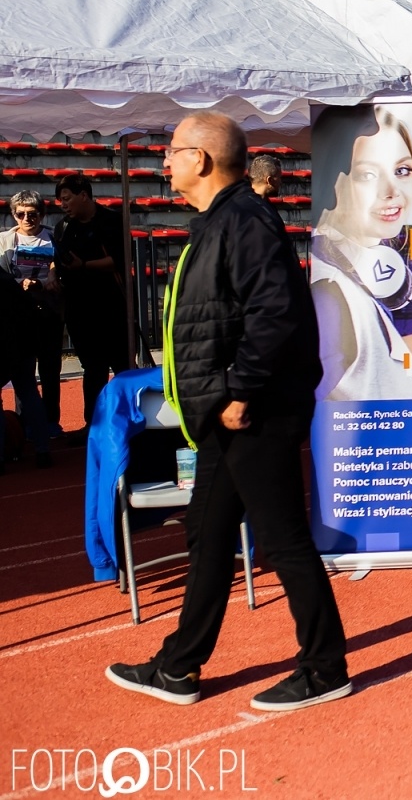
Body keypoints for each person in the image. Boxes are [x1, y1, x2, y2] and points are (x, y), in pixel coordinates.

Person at [106, 111, 350, 712]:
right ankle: (179, 667)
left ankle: (324, 669)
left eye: (173, 150)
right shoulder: (221, 220)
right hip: (226, 411)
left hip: (253, 411)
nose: (164, 161)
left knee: (284, 538)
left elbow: (274, 315)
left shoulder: (244, 220)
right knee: (207, 534)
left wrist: (240, 391)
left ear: (204, 159)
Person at [309, 107, 412, 402]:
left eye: (401, 170)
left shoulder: (350, 280)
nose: (391, 191)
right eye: (367, 174)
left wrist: (399, 352)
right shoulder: (332, 291)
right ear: (333, 182)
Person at [53, 173, 129, 425]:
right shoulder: (63, 227)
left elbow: (119, 260)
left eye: (67, 198)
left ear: (83, 195)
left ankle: (132, 420)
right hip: (80, 310)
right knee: (93, 370)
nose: (63, 204)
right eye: (60, 200)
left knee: (122, 367)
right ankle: (93, 424)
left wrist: (83, 265)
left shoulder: (112, 221)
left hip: (112, 307)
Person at [1, 190, 64, 439]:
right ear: (13, 215)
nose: (27, 218)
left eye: (33, 214)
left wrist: (51, 280)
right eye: (21, 214)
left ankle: (50, 422)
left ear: (42, 214)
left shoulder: (54, 239)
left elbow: (65, 272)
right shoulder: (4, 241)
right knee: (22, 373)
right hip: (17, 317)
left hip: (47, 312)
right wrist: (19, 285)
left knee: (50, 370)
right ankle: (24, 424)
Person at [0, 268, 54, 469]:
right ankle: (43, 450)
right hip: (23, 343)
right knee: (29, 393)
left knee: (27, 394)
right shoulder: (7, 279)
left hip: (9, 344)